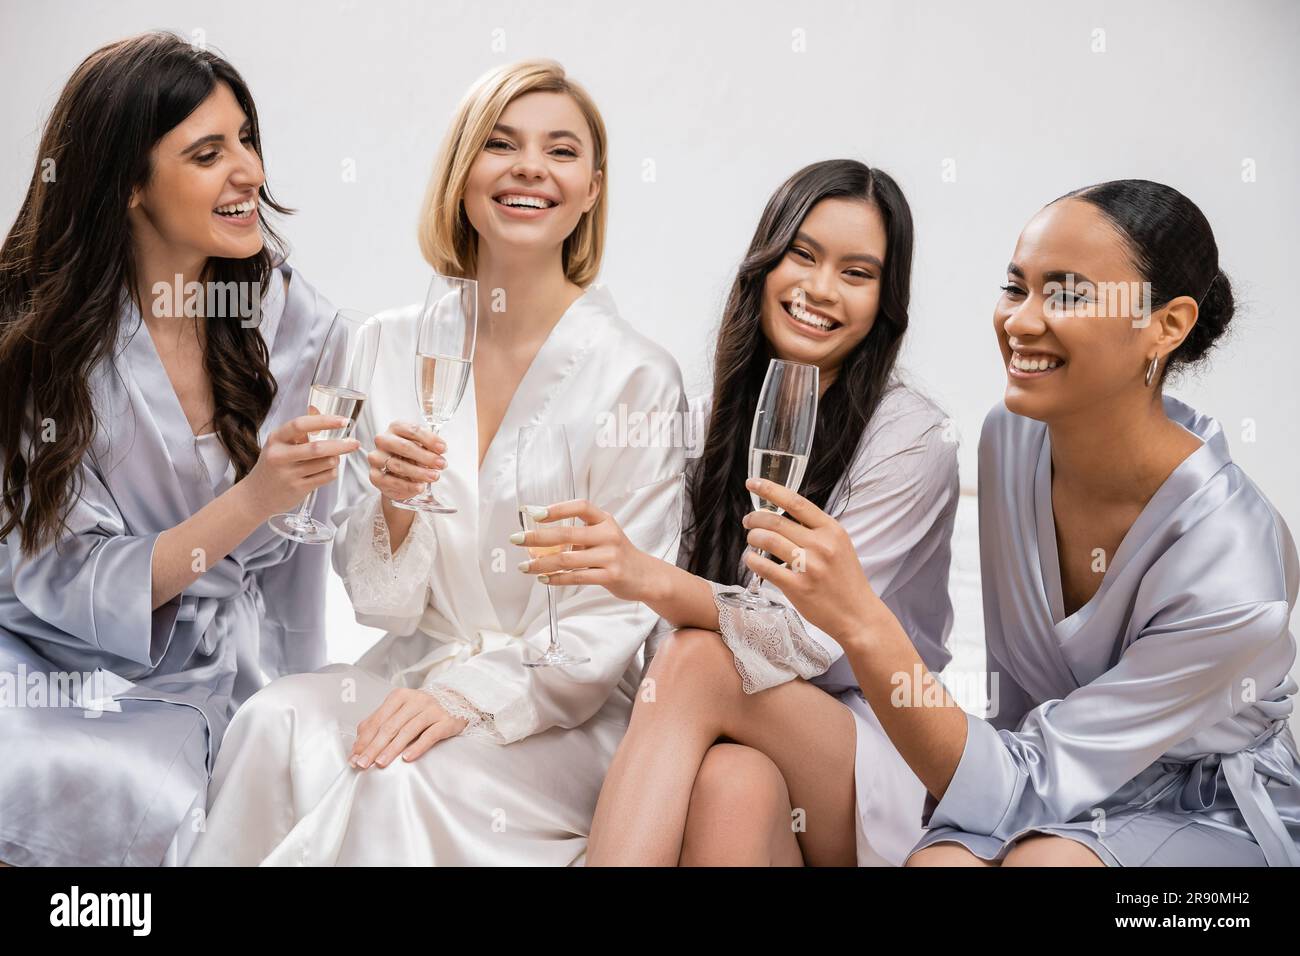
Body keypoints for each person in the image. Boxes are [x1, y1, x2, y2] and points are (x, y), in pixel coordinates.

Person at [187, 59, 687, 866]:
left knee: (397, 777)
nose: (529, 167)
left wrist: (467, 700)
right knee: (272, 721)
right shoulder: (384, 343)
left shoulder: (637, 375)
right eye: (500, 144)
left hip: (560, 714)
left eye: (561, 152)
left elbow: (613, 618)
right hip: (408, 668)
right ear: (463, 176)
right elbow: (381, 605)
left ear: (592, 189)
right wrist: (389, 506)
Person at [743, 179, 1300, 867]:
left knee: (1047, 866)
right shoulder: (1010, 439)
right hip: (1040, 771)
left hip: (1204, 813)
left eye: (1067, 295)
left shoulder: (1236, 564)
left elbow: (1026, 780)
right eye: (1016, 287)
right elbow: (1018, 735)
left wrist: (859, 617)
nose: (1021, 321)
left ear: (1168, 324)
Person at [518, 159, 960, 866]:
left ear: (886, 300)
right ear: (764, 263)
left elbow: (798, 637)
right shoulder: (710, 420)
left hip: (871, 747)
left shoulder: (910, 437)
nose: (820, 289)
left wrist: (645, 576)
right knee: (734, 784)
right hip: (735, 738)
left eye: (856, 273)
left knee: (699, 657)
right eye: (803, 255)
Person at [0, 32, 353, 866]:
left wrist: (308, 705)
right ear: (127, 184)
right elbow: (50, 575)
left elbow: (304, 562)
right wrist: (251, 501)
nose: (250, 173)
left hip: (202, 675)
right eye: (207, 153)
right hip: (40, 656)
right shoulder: (37, 341)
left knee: (246, 800)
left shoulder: (303, 331)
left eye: (247, 140)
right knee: (53, 770)